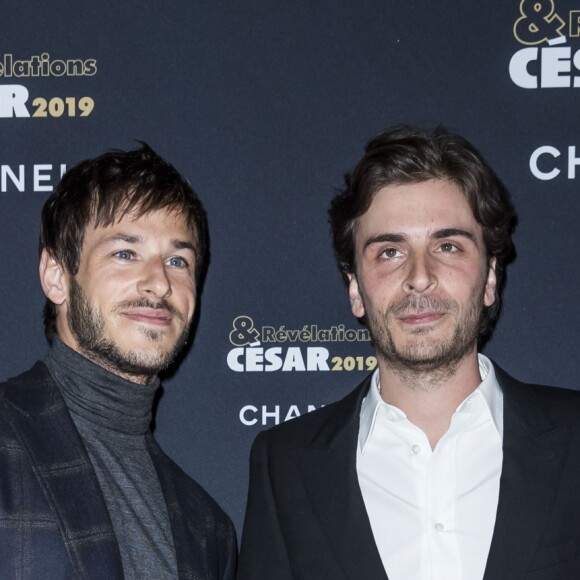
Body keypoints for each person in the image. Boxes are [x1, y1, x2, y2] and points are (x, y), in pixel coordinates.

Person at [237, 125, 580, 580]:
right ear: (356, 289)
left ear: (491, 277)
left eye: (448, 246)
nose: (420, 276)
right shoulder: (285, 464)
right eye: (390, 252)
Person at [0, 144, 236, 579]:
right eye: (125, 253)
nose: (159, 283)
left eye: (177, 260)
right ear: (56, 276)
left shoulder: (208, 529)